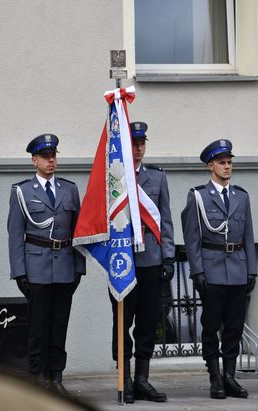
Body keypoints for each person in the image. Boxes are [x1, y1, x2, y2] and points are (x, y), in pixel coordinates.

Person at [7, 134, 86, 394]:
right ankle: (38, 376)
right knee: (38, 327)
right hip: (37, 268)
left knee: (59, 325)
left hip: (64, 266)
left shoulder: (69, 189)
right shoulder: (22, 192)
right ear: (34, 160)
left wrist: (78, 268)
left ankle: (56, 376)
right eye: (45, 156)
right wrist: (20, 272)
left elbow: (78, 233)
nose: (51, 161)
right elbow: (16, 235)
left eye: (53, 156)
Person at [181, 139, 257, 399]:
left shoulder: (241, 196)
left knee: (235, 326)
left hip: (237, 268)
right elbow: (192, 238)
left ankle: (229, 376)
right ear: (210, 166)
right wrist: (197, 271)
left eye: (229, 162)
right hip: (212, 269)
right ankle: (214, 377)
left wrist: (252, 271)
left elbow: (248, 235)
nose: (227, 167)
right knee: (211, 325)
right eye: (222, 163)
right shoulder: (198, 197)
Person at [109, 122, 175, 403]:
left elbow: (166, 220)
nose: (138, 148)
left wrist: (169, 256)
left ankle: (142, 379)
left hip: (150, 261)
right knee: (122, 323)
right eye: (133, 143)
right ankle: (123, 378)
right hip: (123, 261)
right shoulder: (114, 176)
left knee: (147, 323)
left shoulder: (157, 178)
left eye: (141, 143)